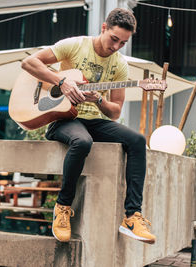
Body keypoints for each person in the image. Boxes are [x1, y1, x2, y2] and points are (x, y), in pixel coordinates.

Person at [21, 8, 156, 244]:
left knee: (137, 140)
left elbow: (115, 112)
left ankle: (132, 217)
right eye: (114, 39)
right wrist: (61, 82)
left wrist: (100, 100)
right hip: (62, 118)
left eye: (123, 43)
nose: (116, 46)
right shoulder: (74, 45)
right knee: (83, 141)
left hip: (94, 120)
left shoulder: (120, 65)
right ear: (104, 28)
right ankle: (62, 208)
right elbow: (29, 62)